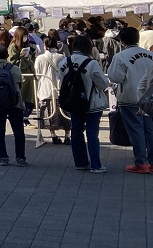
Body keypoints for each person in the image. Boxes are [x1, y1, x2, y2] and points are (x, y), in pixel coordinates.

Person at [58, 35, 111, 173]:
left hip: (73, 102)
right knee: (92, 133)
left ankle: (80, 162)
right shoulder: (91, 63)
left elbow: (62, 80)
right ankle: (96, 164)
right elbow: (103, 83)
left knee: (76, 131)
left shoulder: (64, 62)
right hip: (92, 103)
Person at [107, 26, 153, 173]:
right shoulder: (150, 55)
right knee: (150, 129)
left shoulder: (121, 56)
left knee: (136, 130)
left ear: (122, 40)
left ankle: (141, 163)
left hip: (130, 98)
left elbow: (115, 77)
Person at [0, 45, 28, 167]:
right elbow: (19, 85)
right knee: (18, 132)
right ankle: (20, 158)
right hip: (15, 104)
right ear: (7, 56)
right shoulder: (15, 69)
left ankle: (3, 158)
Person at [34, 35, 70, 144]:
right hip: (60, 89)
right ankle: (67, 135)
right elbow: (66, 72)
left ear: (45, 45)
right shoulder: (62, 57)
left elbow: (37, 74)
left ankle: (53, 134)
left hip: (46, 89)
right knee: (65, 113)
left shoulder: (39, 58)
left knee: (49, 113)